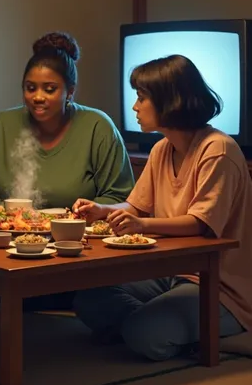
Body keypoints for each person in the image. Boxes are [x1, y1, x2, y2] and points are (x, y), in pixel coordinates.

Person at [73, 55, 250, 361]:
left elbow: (199, 223)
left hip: (218, 283)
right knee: (89, 300)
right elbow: (137, 207)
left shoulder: (218, 149)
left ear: (171, 100)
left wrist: (142, 226)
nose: (135, 107)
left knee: (145, 335)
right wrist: (102, 210)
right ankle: (158, 324)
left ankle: (176, 329)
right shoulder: (161, 148)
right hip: (169, 271)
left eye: (142, 98)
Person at [0, 31, 134, 309]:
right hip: (10, 250)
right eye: (30, 88)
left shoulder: (97, 127)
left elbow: (121, 197)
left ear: (70, 91)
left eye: (50, 89)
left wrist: (79, 215)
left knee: (91, 294)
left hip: (76, 254)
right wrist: (19, 217)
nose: (37, 97)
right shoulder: (3, 125)